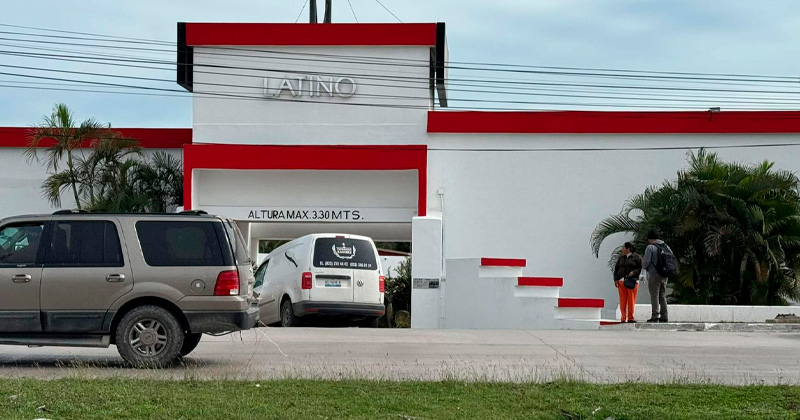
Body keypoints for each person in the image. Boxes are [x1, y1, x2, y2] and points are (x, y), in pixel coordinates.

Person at [643, 230, 671, 323]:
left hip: (654, 274)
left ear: (650, 239)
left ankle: (655, 316)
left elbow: (646, 262)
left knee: (654, 295)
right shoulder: (665, 246)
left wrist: (644, 267)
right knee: (662, 295)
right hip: (665, 275)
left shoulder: (650, 247)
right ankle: (664, 316)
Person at [613, 242, 643, 323]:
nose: (622, 249)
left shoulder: (637, 258)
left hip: (632, 281)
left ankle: (630, 317)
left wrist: (634, 272)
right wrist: (615, 279)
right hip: (621, 281)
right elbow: (616, 269)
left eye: (623, 247)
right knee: (622, 300)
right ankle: (623, 317)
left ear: (628, 249)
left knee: (631, 299)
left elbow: (640, 268)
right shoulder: (621, 258)